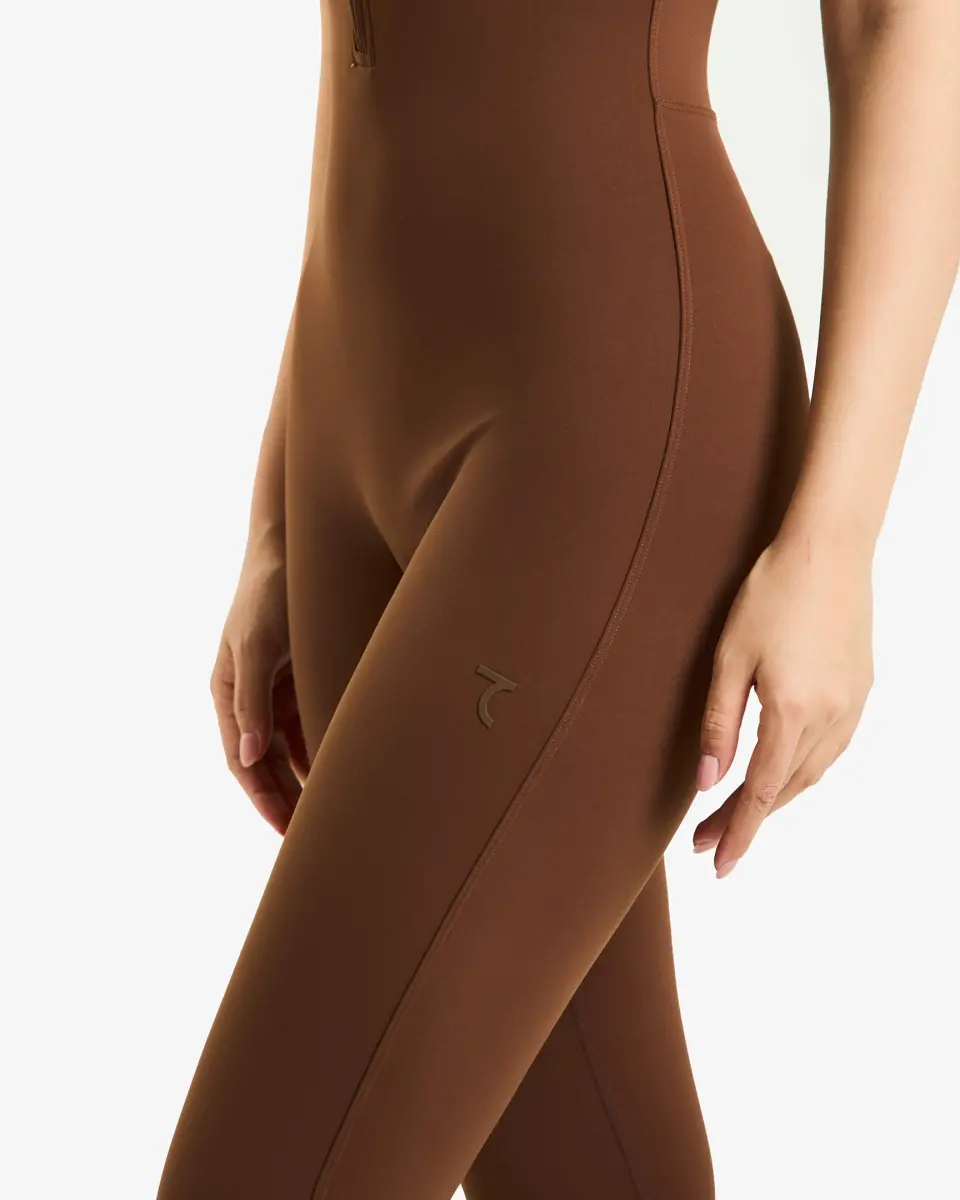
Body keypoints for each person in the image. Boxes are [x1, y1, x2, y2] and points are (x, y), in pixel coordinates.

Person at [158, 1, 960, 1196]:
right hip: (346, 424)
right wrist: (280, 499)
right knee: (580, 1162)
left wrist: (836, 542)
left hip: (606, 418)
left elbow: (899, 20)